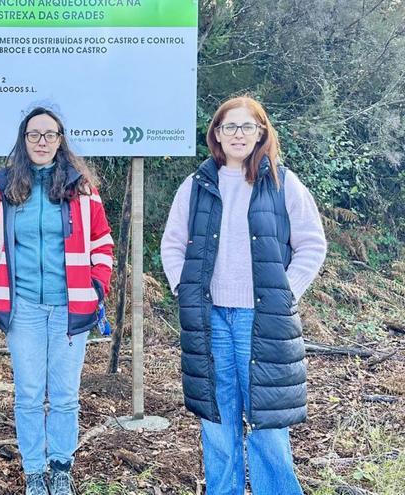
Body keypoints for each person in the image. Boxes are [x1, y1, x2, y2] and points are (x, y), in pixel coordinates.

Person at [160, 96, 327, 495]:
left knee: (268, 426)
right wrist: (184, 290)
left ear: (261, 133)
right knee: (218, 424)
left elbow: (312, 245)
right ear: (216, 134)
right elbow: (172, 245)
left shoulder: (282, 182)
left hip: (263, 320)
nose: (238, 134)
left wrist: (285, 294)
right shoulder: (196, 185)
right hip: (211, 318)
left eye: (246, 126)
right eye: (229, 127)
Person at [0, 107, 114, 495]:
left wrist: (96, 287)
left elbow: (103, 243)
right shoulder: (5, 188)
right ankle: (34, 472)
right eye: (34, 135)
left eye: (50, 134)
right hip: (22, 307)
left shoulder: (82, 189)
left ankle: (61, 467)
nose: (42, 142)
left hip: (70, 307)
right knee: (27, 394)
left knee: (63, 395)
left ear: (61, 140)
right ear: (23, 141)